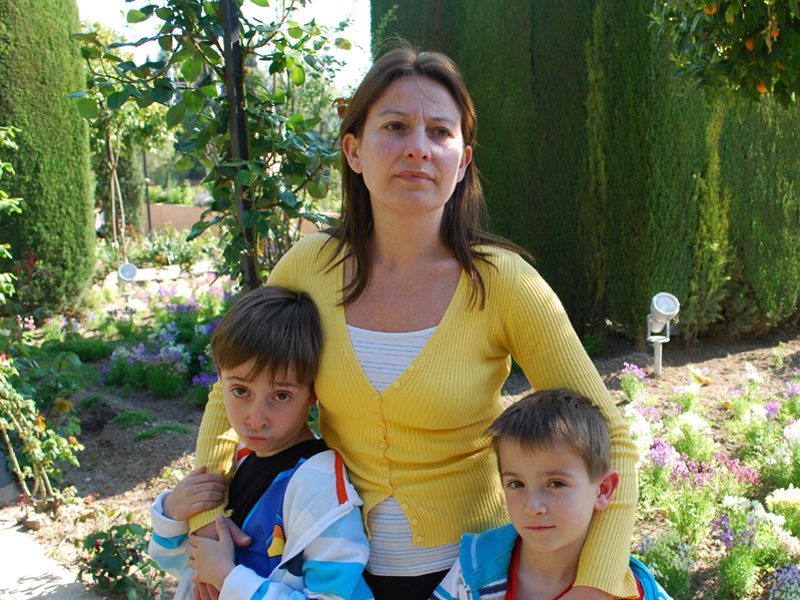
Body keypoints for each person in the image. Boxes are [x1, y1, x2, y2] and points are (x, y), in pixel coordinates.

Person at [191, 41, 640, 600]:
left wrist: (595, 581)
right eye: (396, 127)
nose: (418, 149)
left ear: (463, 160)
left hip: (470, 579)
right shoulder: (308, 267)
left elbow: (611, 437)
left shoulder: (504, 283)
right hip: (326, 575)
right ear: (354, 151)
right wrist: (205, 513)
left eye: (440, 132)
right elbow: (227, 394)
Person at [148, 286, 374, 600]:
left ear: (313, 393)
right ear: (220, 380)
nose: (256, 419)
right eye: (241, 391)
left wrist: (229, 578)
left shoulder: (321, 488)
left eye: (281, 396)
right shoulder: (236, 461)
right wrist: (172, 515)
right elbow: (187, 572)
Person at [430, 389, 672, 600]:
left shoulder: (636, 594)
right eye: (516, 484)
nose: (532, 507)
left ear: (603, 489)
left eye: (556, 483)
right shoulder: (474, 569)